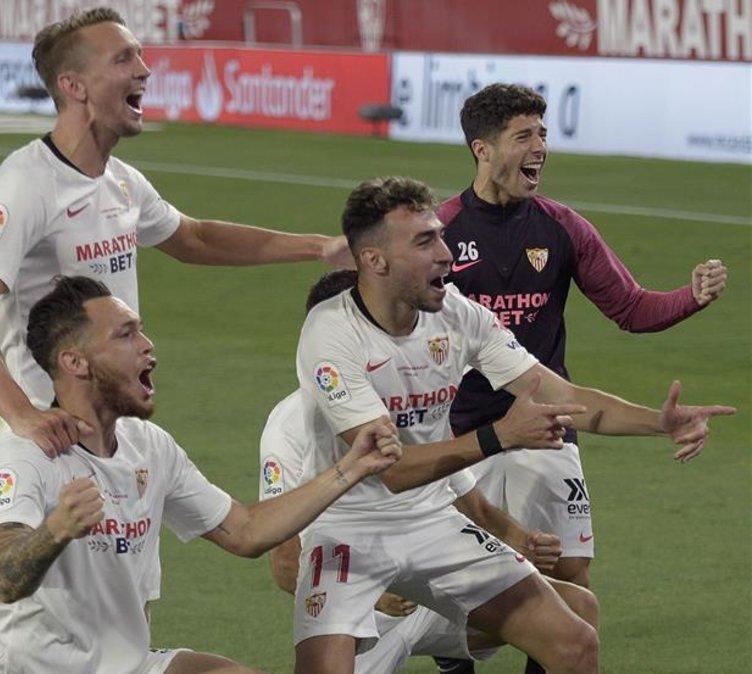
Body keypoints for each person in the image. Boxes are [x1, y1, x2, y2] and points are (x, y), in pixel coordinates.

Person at [291, 176, 734, 673]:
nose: (446, 253)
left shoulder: (458, 314)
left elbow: (560, 396)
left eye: (440, 235)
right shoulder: (331, 332)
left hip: (433, 521)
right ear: (374, 261)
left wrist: (659, 422)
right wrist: (498, 436)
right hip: (350, 530)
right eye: (424, 241)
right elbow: (387, 470)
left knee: (574, 639)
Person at [0, 7, 351, 458]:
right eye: (123, 60)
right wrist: (22, 414)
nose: (145, 69)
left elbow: (194, 238)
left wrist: (320, 247)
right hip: (50, 435)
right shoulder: (26, 184)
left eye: (139, 55)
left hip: (113, 423)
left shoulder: (120, 181)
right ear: (74, 87)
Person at [0, 275, 401, 673]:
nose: (147, 345)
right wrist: (56, 529)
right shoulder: (29, 455)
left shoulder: (149, 445)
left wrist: (351, 467)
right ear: (75, 362)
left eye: (140, 329)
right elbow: (8, 577)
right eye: (125, 334)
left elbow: (246, 531)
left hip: (128, 663)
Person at [442, 83, 728, 589]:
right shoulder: (440, 233)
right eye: (523, 136)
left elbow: (632, 308)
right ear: (482, 150)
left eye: (543, 134)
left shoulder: (563, 228)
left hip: (549, 422)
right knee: (453, 583)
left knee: (569, 578)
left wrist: (691, 296)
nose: (540, 148)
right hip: (458, 434)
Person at [260, 271, 597, 673]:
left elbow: (470, 502)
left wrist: (522, 539)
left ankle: (452, 651)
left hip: (429, 593)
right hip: (371, 613)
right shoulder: (290, 425)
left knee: (577, 608)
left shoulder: (408, 405)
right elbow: (284, 565)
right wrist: (382, 596)